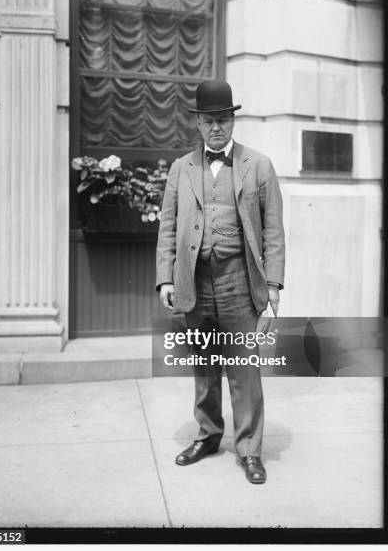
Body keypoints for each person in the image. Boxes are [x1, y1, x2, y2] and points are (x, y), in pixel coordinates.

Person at [156, 80, 285, 484]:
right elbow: (167, 226)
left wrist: (275, 285)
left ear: (233, 121)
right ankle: (209, 436)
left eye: (224, 119)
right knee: (205, 367)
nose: (217, 127)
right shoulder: (182, 168)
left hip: (239, 283)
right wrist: (165, 279)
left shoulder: (258, 165)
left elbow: (273, 229)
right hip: (194, 283)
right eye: (209, 120)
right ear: (197, 123)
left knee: (244, 370)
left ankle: (249, 450)